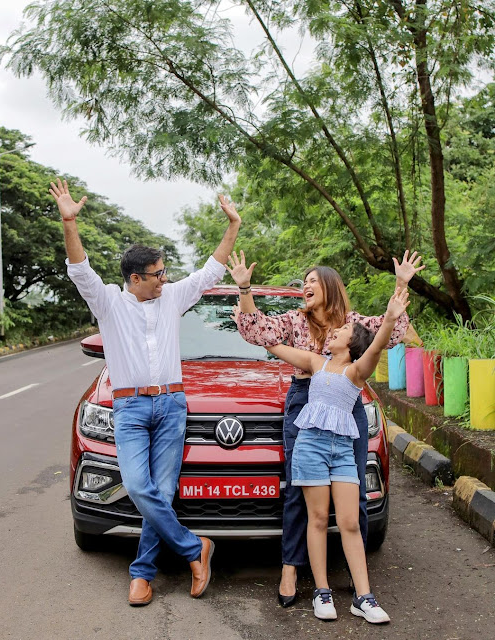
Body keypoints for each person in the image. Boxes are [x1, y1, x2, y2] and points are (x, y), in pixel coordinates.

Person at [49, 178, 241, 606]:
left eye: (164, 272)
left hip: (172, 405)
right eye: (157, 274)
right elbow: (79, 268)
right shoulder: (109, 304)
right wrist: (69, 223)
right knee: (139, 486)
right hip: (131, 408)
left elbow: (212, 269)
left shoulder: (173, 297)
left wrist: (233, 226)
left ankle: (142, 573)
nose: (164, 279)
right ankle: (196, 548)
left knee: (164, 489)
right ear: (135, 278)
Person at [227, 249, 424, 606]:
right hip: (304, 397)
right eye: (304, 282)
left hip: (348, 402)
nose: (306, 286)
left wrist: (400, 283)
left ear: (330, 287)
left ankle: (356, 571)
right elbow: (259, 333)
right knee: (298, 489)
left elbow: (389, 332)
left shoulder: (351, 322)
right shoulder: (294, 319)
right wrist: (244, 290)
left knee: (356, 490)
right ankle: (291, 566)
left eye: (312, 281)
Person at [264, 287, 411, 623]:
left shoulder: (357, 372)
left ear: (351, 343)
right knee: (316, 519)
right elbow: (272, 344)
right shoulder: (316, 362)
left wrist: (390, 316)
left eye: (342, 331)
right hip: (310, 447)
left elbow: (376, 346)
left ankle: (364, 596)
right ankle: (322, 590)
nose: (333, 331)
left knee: (348, 522)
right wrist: (246, 301)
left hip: (343, 450)